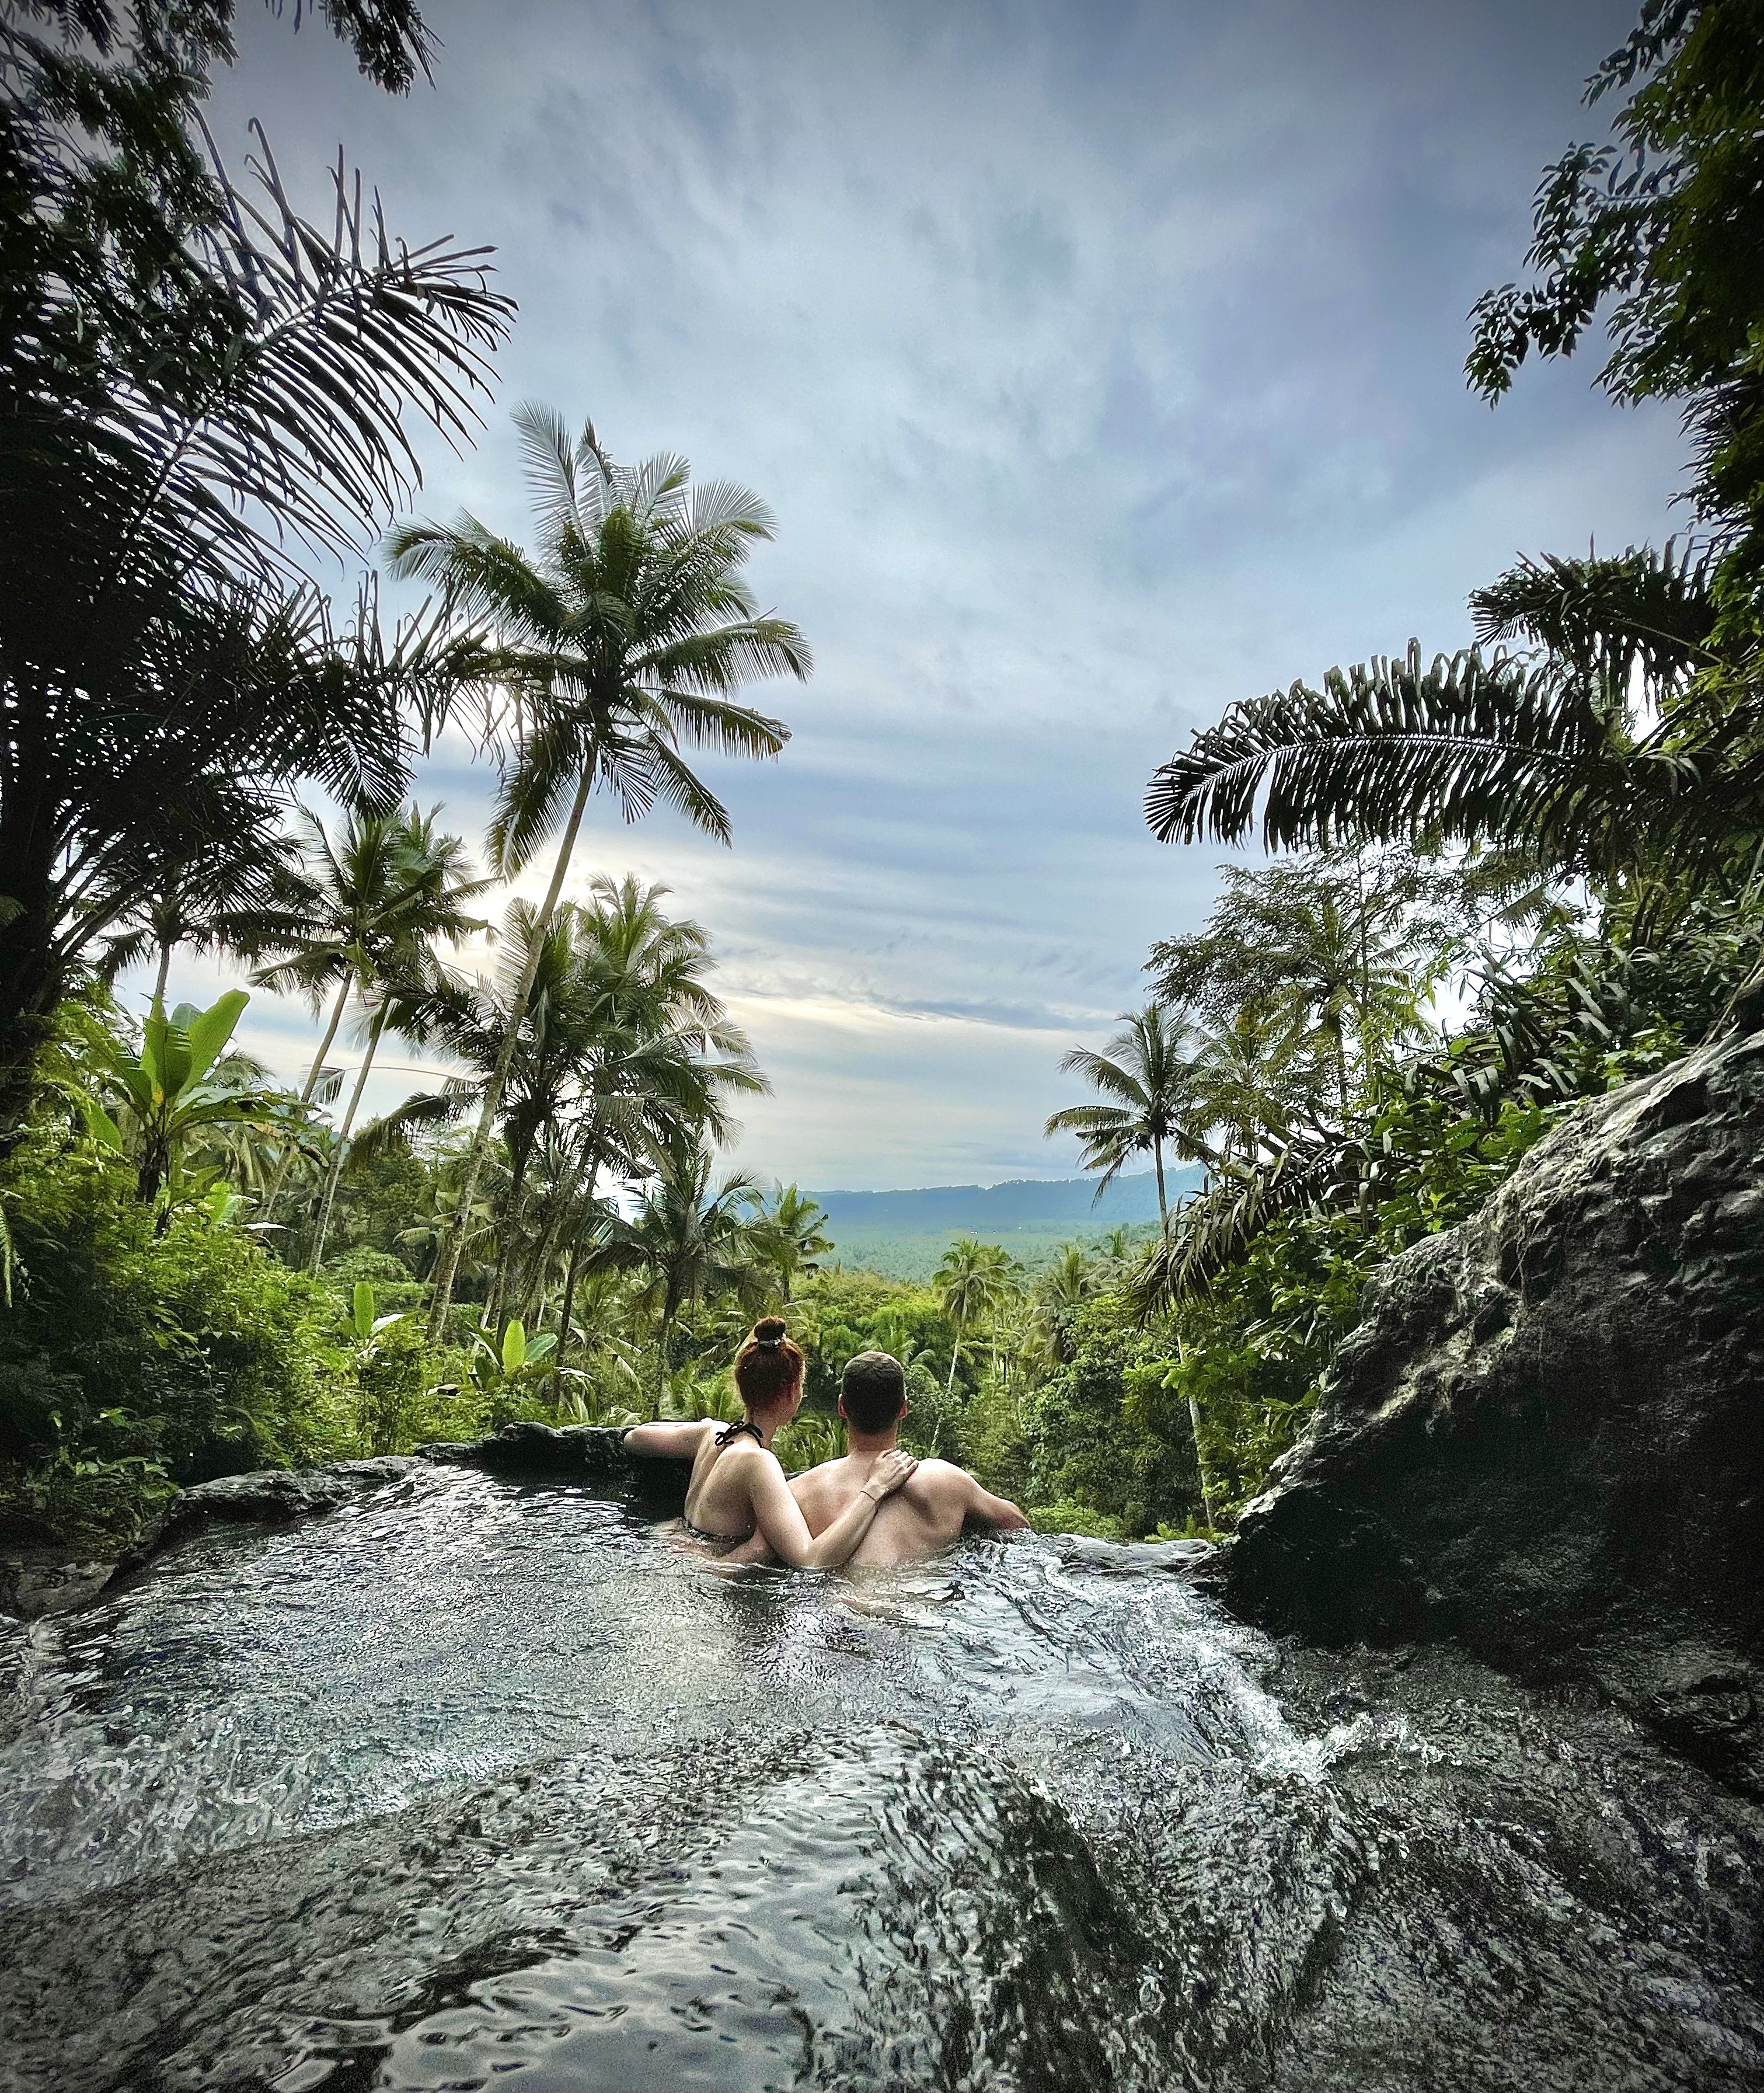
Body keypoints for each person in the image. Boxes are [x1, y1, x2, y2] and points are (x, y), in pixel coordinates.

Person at [624, 1318, 916, 1565]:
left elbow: (634, 1437)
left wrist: (700, 1427)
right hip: (703, 1578)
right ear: (791, 1393)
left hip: (670, 1548)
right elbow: (811, 1560)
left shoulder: (712, 1434)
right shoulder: (759, 1463)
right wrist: (874, 1489)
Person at [790, 1349, 1029, 1567]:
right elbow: (1017, 1524)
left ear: (842, 1407)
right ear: (903, 1409)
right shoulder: (945, 1481)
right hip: (918, 1598)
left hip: (830, 1599)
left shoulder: (800, 1492)